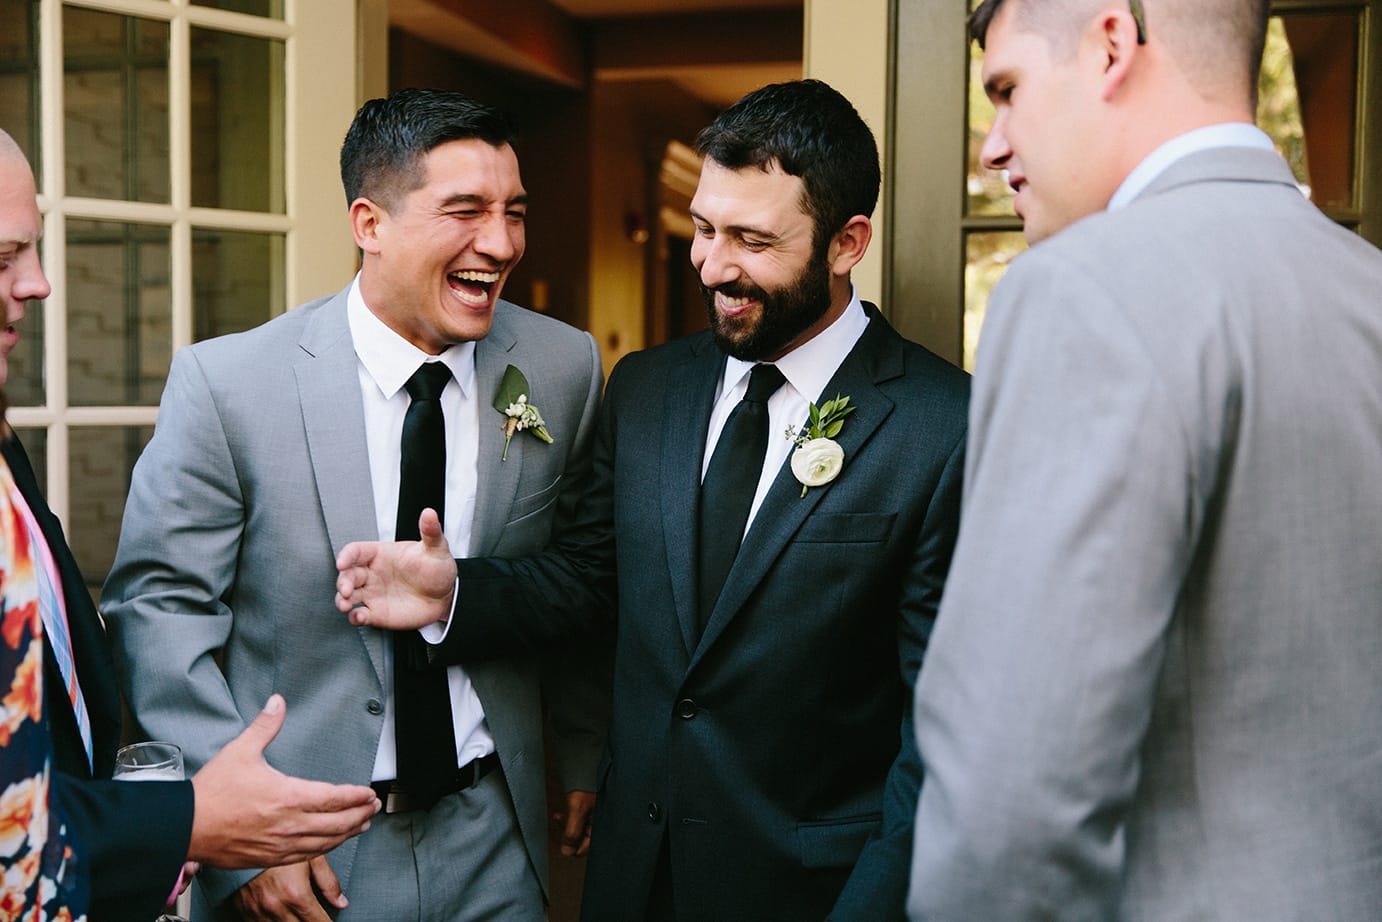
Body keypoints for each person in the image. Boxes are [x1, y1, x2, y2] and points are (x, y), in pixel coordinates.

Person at [335, 79, 971, 921]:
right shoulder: (647, 389)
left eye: (752, 240)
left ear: (846, 243)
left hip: (817, 891)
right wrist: (459, 595)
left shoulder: (945, 426)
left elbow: (944, 734)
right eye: (704, 229)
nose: (712, 265)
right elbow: (592, 581)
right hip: (635, 882)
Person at [907, 1, 1382, 919]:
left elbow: (1011, 808)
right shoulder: (1368, 289)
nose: (993, 148)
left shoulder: (1081, 293)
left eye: (1006, 90)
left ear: (1111, 45)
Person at [102, 89, 606, 921]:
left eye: (514, 212)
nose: (502, 243)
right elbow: (160, 610)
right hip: (307, 847)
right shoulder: (229, 385)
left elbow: (576, 576)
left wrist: (583, 754)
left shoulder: (563, 366)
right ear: (370, 224)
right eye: (466, 211)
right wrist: (237, 828)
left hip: (496, 837)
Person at [0, 130, 380, 920]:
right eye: (4, 259)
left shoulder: (4, 445)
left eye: (31, 251)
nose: (37, 283)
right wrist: (190, 821)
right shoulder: (222, 386)